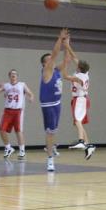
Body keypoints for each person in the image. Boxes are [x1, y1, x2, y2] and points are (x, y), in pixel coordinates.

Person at [39, 28, 69, 171]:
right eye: (49, 58)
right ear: (45, 63)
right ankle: (50, 159)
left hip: (57, 103)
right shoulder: (47, 70)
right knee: (50, 132)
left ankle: (52, 148)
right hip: (48, 105)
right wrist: (60, 38)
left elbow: (66, 60)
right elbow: (56, 53)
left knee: (53, 131)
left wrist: (67, 44)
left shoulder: (56, 71)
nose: (52, 59)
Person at [61, 37, 96, 160]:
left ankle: (81, 141)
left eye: (77, 64)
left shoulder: (79, 77)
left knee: (77, 122)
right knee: (78, 122)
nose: (76, 63)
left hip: (80, 99)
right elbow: (75, 57)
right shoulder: (85, 73)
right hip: (82, 99)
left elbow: (64, 76)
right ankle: (88, 145)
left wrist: (66, 62)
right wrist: (67, 45)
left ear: (79, 67)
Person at [0, 69, 34, 159]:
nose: (13, 75)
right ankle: (8, 147)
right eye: (12, 74)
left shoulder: (22, 84)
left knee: (18, 130)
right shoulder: (6, 86)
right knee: (1, 129)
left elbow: (30, 93)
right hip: (7, 111)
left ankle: (22, 150)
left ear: (17, 76)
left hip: (18, 111)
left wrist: (31, 97)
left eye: (15, 74)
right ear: (9, 76)